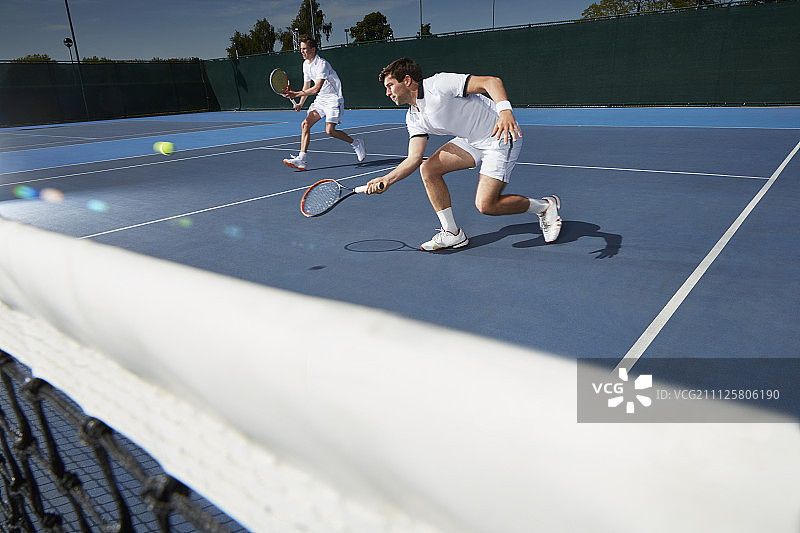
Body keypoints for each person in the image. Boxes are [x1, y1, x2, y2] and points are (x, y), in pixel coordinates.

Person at [365, 57, 561, 251]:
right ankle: (452, 233)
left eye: (390, 85)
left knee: (486, 205)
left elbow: (491, 82)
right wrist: (387, 179)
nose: (387, 92)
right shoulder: (413, 116)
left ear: (407, 81)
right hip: (470, 140)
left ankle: (544, 207)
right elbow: (414, 158)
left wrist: (505, 111)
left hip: (499, 135)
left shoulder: (439, 84)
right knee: (429, 169)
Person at [282, 36, 365, 170]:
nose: (302, 52)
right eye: (301, 49)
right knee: (305, 124)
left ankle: (356, 143)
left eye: (304, 49)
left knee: (330, 131)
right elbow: (306, 86)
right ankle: (302, 159)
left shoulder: (322, 64)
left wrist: (296, 94)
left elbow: (316, 88)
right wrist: (300, 103)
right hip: (321, 99)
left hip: (333, 99)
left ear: (313, 49)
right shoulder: (306, 65)